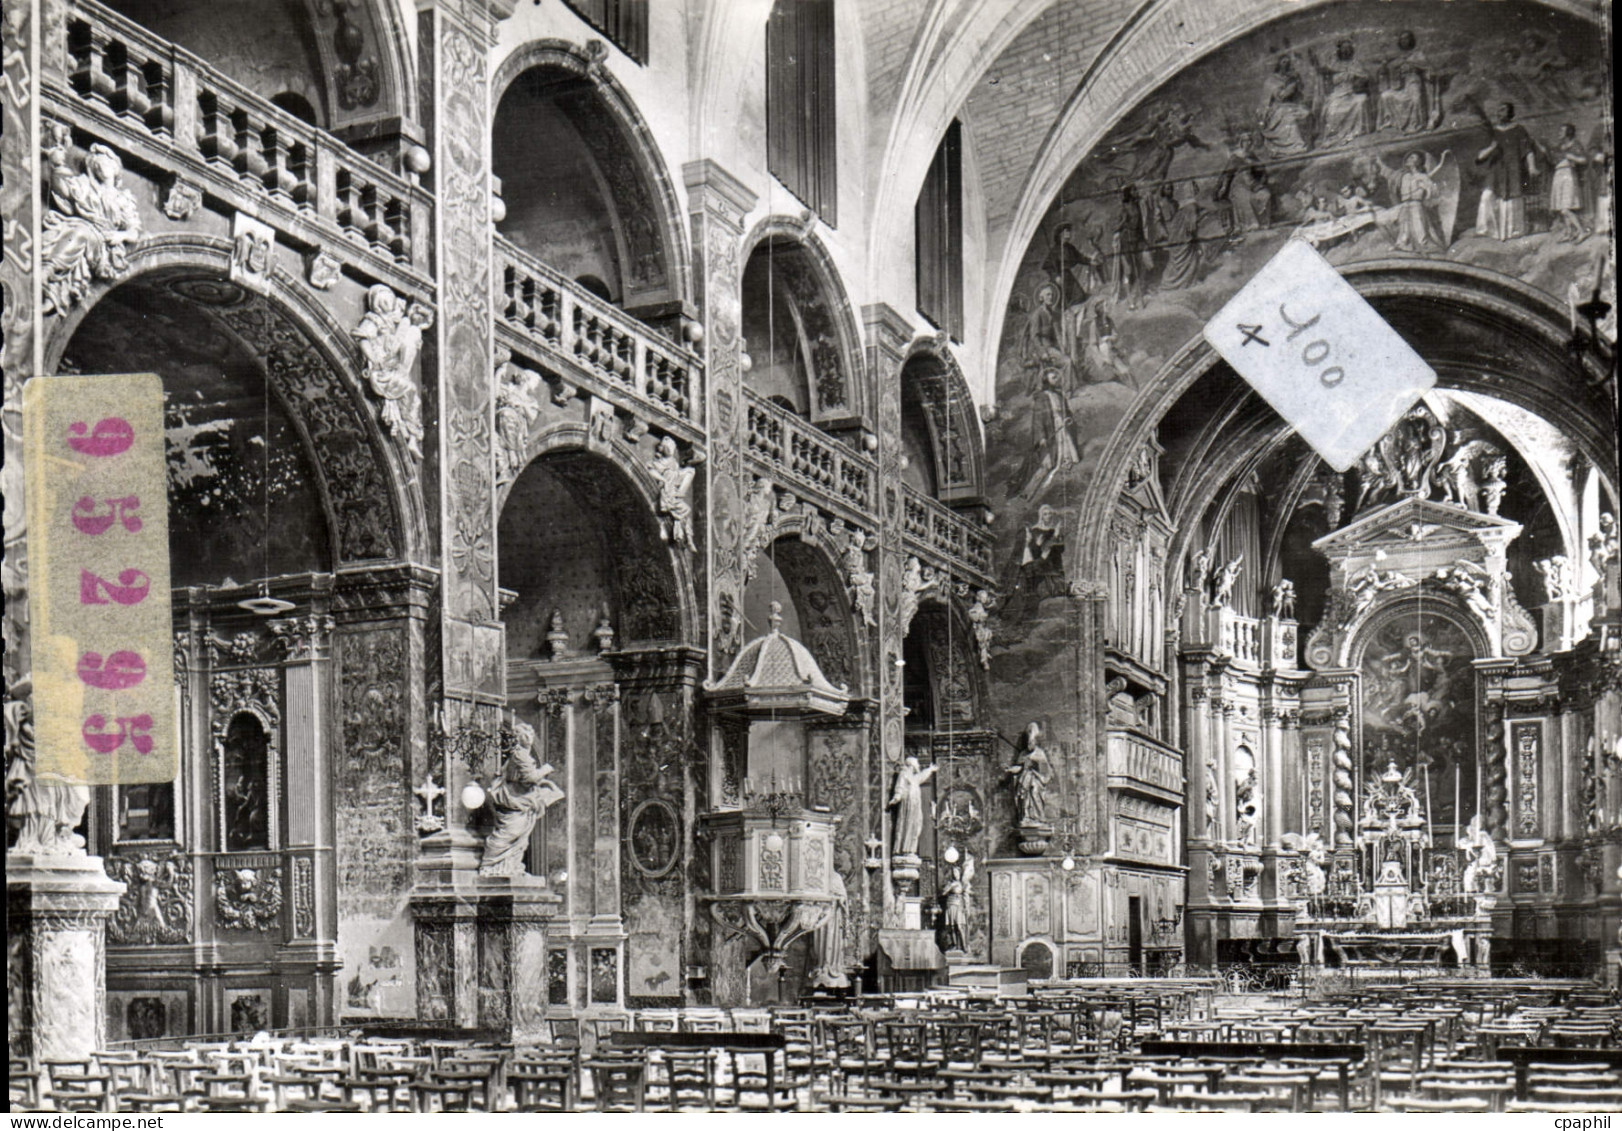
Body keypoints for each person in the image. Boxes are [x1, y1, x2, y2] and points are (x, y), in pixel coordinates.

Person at [479, 720, 566, 877]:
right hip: (514, 799)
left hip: (521, 799)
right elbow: (530, 778)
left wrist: (542, 780)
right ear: (520, 738)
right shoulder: (520, 755)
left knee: (520, 837)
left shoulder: (522, 754)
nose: (530, 738)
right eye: (527, 735)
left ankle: (511, 867)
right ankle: (490, 865)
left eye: (531, 734)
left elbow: (526, 778)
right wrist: (546, 770)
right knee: (510, 832)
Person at [1475, 102, 1540, 241]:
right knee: (1487, 197)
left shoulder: (1519, 130)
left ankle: (1512, 232)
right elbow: (1480, 156)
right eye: (1498, 110)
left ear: (1510, 113)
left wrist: (1532, 167)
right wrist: (1492, 148)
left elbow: (1528, 150)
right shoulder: (1493, 132)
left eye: (1503, 110)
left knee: (1513, 199)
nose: (1499, 113)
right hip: (1496, 171)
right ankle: (1488, 231)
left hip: (1513, 169)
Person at [1548, 123, 1593, 243]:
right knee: (1561, 208)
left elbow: (1584, 160)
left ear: (1568, 133)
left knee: (1565, 208)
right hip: (1558, 176)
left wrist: (1572, 157)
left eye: (1562, 131)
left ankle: (1582, 231)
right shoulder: (1560, 147)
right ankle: (1569, 232)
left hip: (1568, 175)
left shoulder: (1575, 145)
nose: (1559, 133)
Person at [888, 755, 938, 858]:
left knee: (917, 824)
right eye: (917, 763)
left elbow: (921, 776)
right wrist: (897, 797)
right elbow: (900, 786)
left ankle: (911, 849)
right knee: (908, 824)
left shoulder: (914, 777)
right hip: (908, 804)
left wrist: (930, 769)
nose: (918, 765)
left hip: (915, 804)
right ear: (911, 764)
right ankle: (904, 849)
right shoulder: (904, 774)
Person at [1006, 723, 1054, 827]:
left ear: (1036, 741)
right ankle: (1026, 817)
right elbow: (1019, 768)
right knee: (1023, 796)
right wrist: (1011, 769)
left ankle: (1038, 817)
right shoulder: (1023, 754)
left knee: (1035, 791)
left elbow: (1046, 769)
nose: (1030, 744)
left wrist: (1035, 763)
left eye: (1032, 742)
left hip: (1036, 779)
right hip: (1024, 780)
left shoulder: (1040, 753)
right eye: (1028, 742)